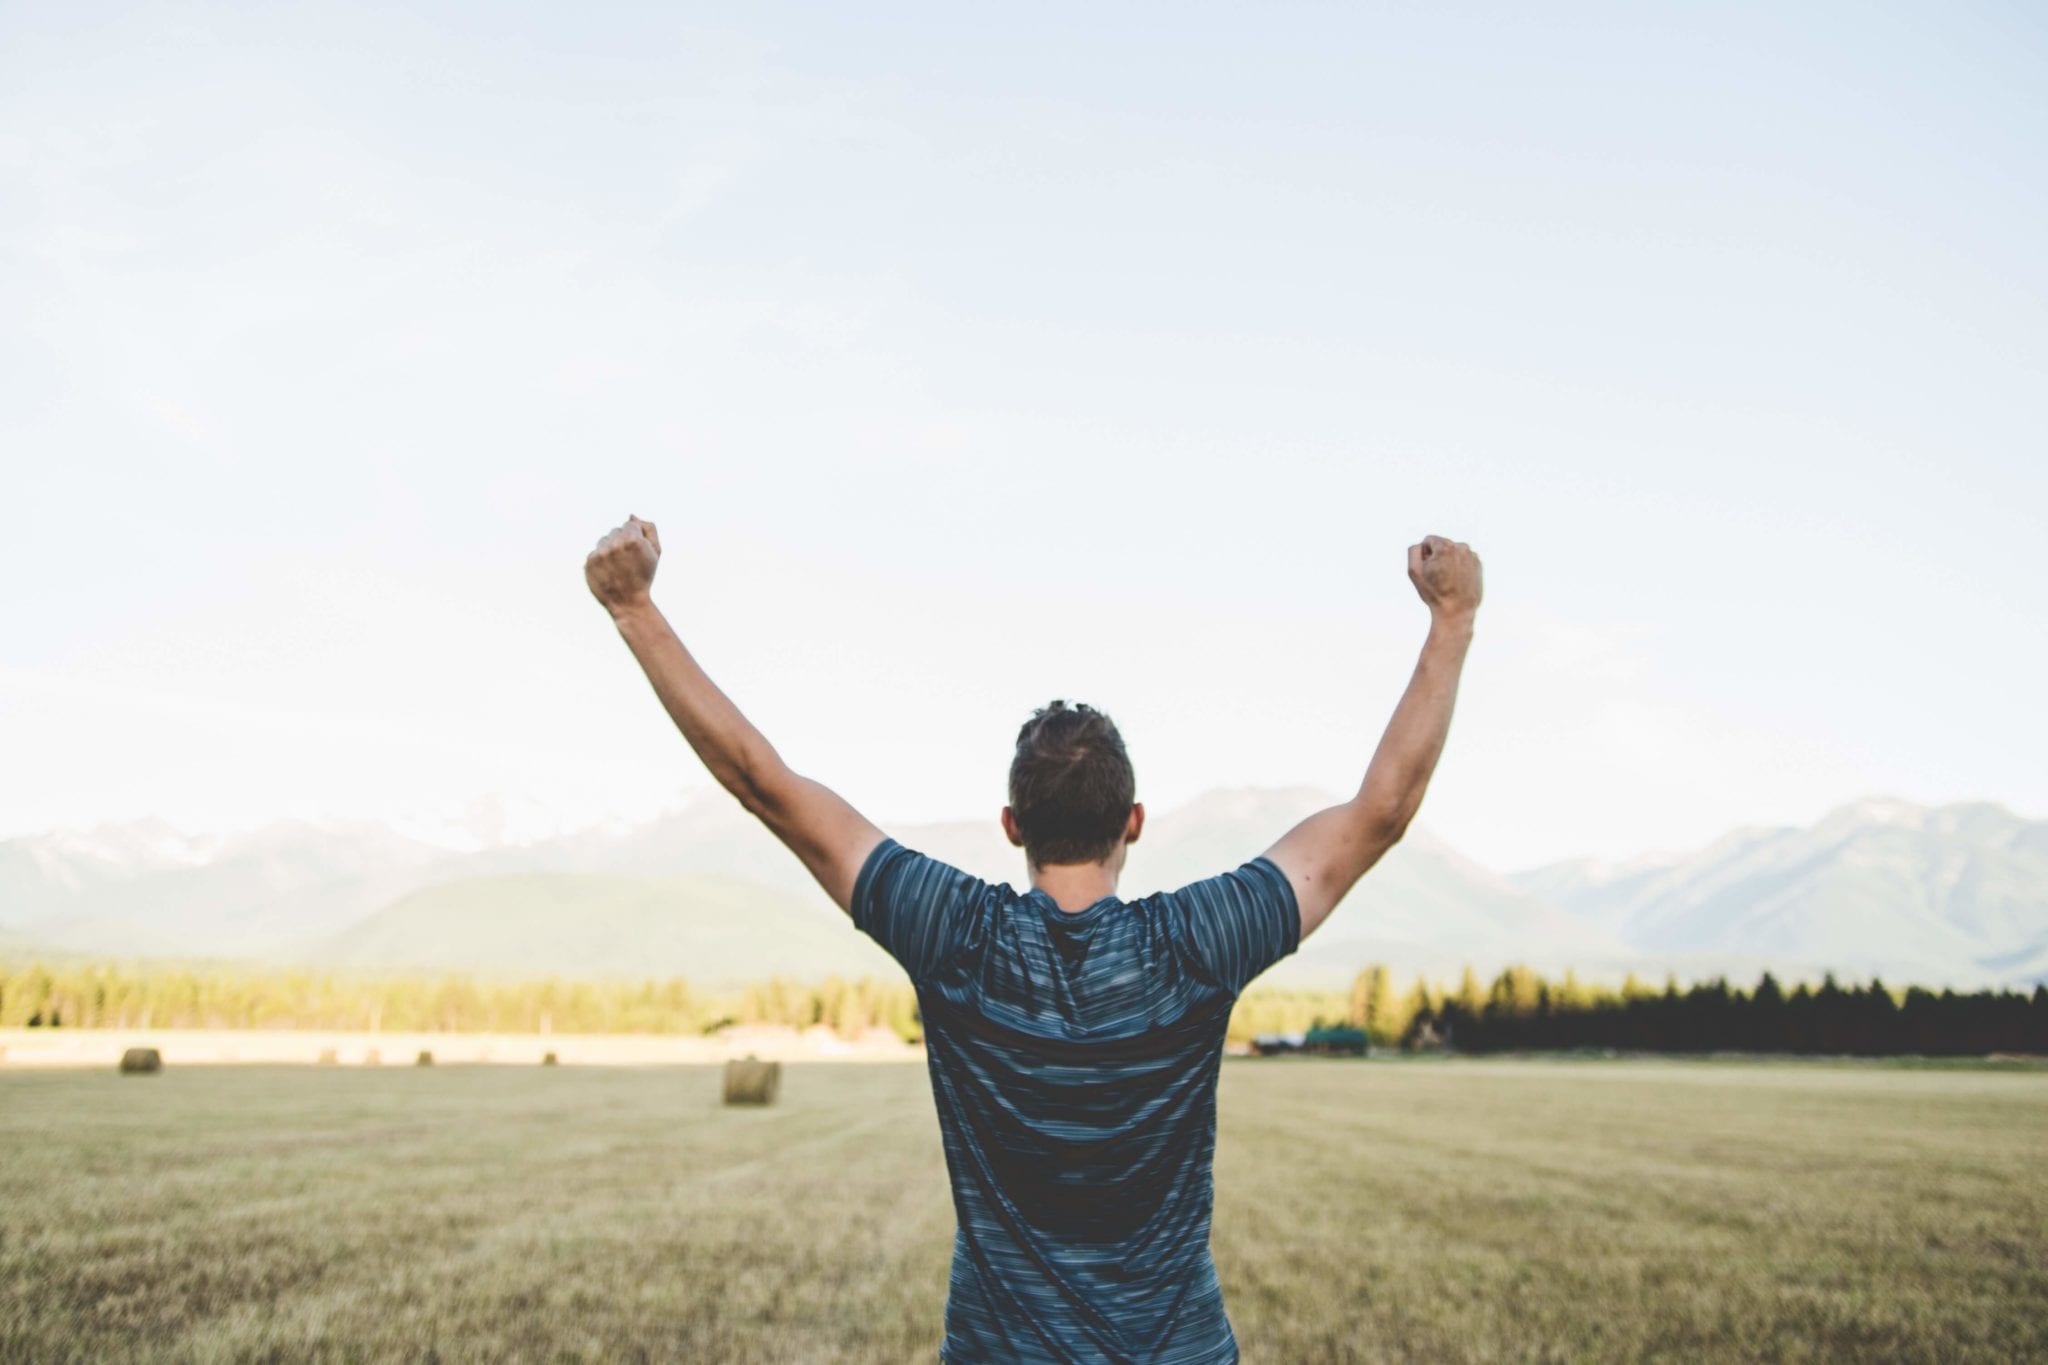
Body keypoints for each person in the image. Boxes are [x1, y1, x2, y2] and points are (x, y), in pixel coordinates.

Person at [585, 515, 1482, 1364]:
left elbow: (762, 783)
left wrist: (636, 609)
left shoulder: (955, 936)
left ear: (1013, 824)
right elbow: (1382, 812)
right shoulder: (1198, 943)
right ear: (1133, 820)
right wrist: (1452, 618)